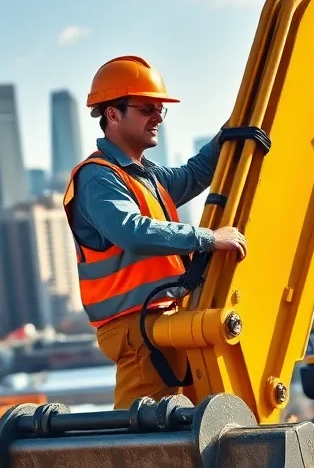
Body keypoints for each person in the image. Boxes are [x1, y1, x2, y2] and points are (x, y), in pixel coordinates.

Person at [63, 55, 247, 409]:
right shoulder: (99, 177)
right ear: (113, 115)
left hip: (158, 321)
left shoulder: (144, 176)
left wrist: (237, 124)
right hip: (136, 329)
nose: (158, 117)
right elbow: (130, 231)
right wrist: (209, 237)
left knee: (177, 434)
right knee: (142, 445)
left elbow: (195, 173)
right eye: (147, 107)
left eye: (161, 108)